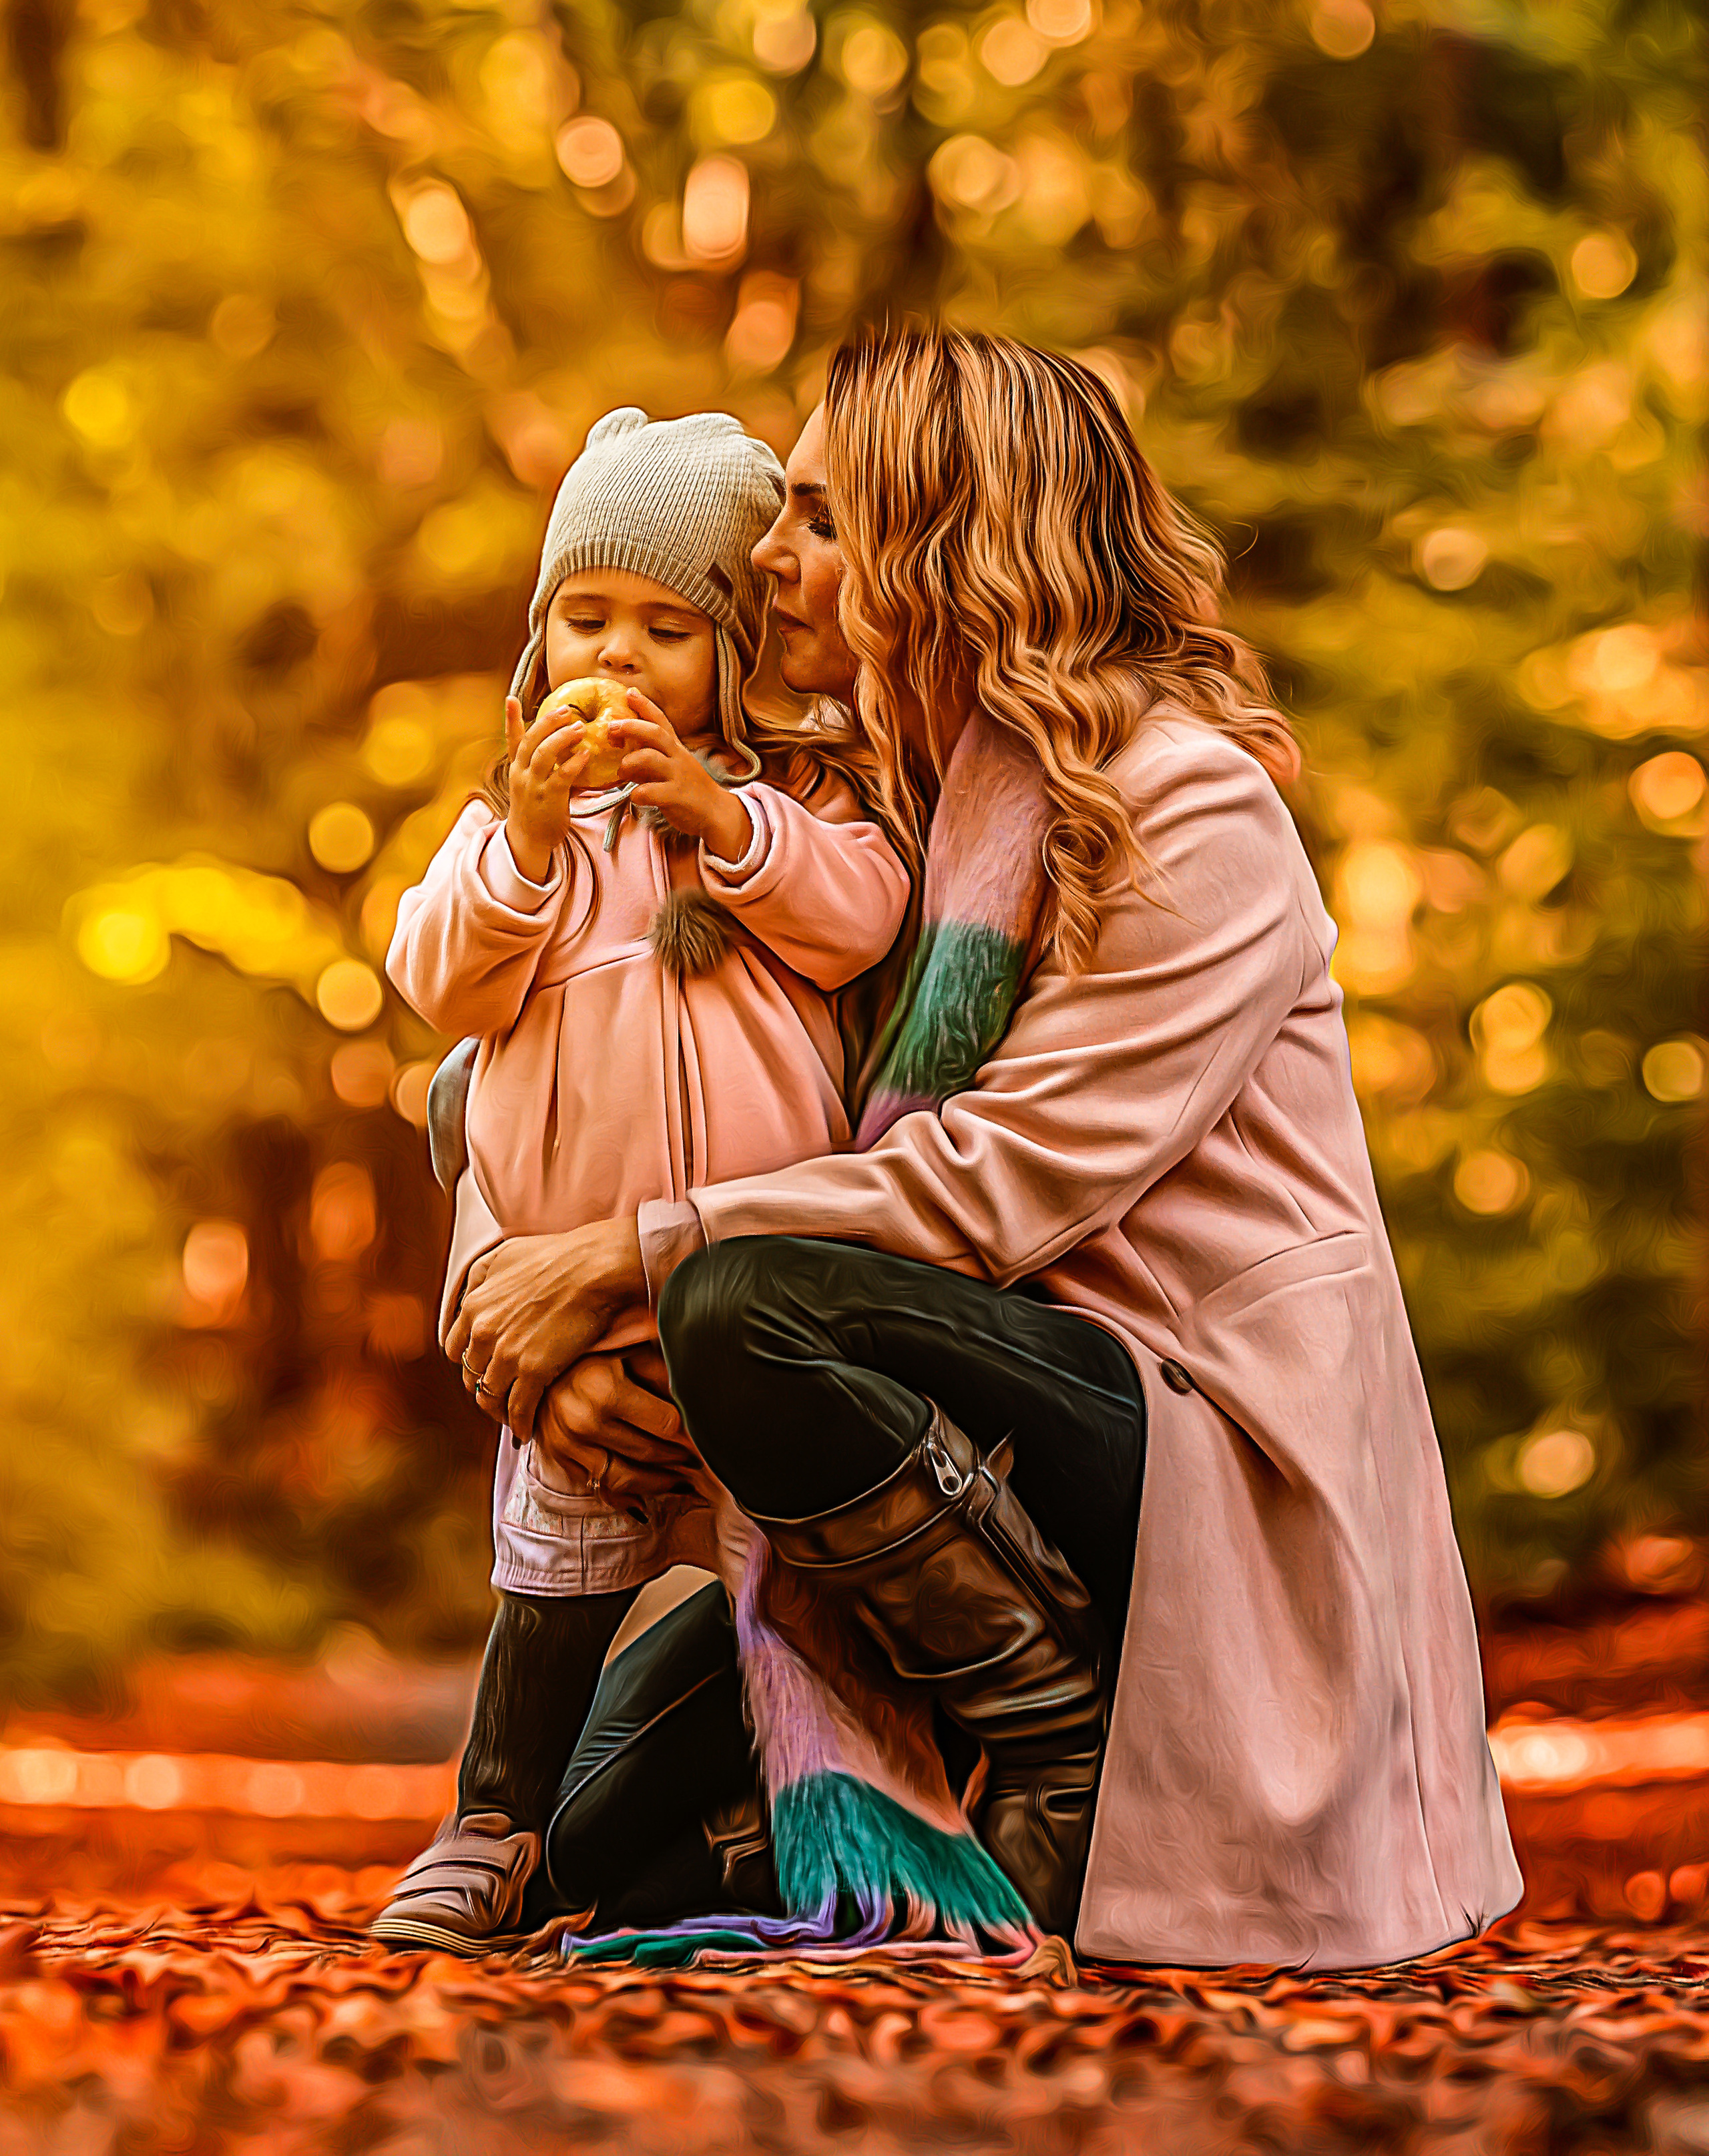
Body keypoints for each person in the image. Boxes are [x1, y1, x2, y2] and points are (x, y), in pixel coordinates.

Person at [449, 328, 1523, 1970]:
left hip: (1183, 1430)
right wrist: (531, 1331)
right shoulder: (891, 810)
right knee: (598, 1826)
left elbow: (992, 1184)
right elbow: (528, 1061)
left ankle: (1054, 1754)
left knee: (745, 1302)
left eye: (815, 516)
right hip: (972, 1386)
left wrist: (623, 1263)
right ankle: (939, 1783)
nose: (769, 557)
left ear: (935, 543)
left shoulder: (1187, 809)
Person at [372, 407, 912, 1953]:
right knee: (556, 1577)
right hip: (587, 1308)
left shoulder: (791, 813)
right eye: (584, 619)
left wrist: (718, 814)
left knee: (778, 1589)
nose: (617, 656)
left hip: (748, 1291)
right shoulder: (516, 843)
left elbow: (861, 918)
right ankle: (490, 1820)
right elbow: (440, 983)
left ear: (736, 656)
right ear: (535, 648)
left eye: (668, 628)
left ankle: (798, 1821)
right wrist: (531, 844)